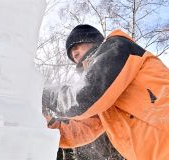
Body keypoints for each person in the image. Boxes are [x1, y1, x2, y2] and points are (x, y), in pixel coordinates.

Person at [42, 24, 169, 160]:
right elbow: (81, 130)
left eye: (76, 46)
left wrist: (41, 93)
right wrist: (47, 125)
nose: (74, 54)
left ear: (91, 39)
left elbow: (85, 97)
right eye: (71, 54)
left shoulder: (117, 47)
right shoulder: (104, 98)